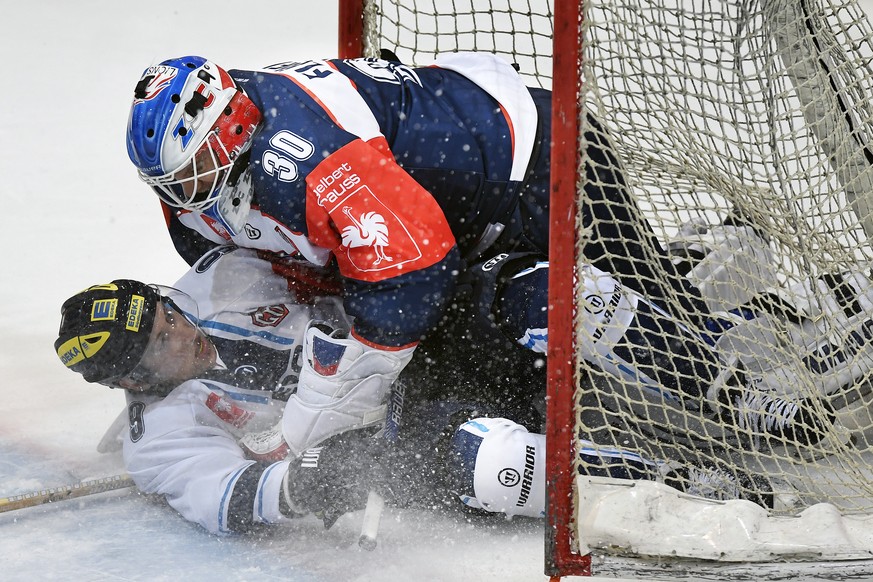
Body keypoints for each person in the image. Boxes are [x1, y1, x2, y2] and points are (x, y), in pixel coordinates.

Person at [123, 52, 834, 459]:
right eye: (170, 183)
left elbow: (412, 270)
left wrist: (327, 403)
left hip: (531, 161)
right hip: (447, 210)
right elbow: (283, 275)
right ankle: (700, 299)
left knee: (603, 287)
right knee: (476, 366)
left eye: (191, 173)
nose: (185, 195)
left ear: (235, 128)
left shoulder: (308, 158)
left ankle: (738, 373)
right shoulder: (203, 186)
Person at [54, 246, 784, 535]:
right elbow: (234, 499)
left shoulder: (223, 277)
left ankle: (727, 361)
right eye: (155, 346)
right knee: (493, 465)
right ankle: (686, 484)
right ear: (127, 380)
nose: (180, 334)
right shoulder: (159, 442)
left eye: (164, 316)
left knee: (540, 291)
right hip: (400, 428)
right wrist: (310, 483)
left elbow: (349, 256)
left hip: (421, 340)